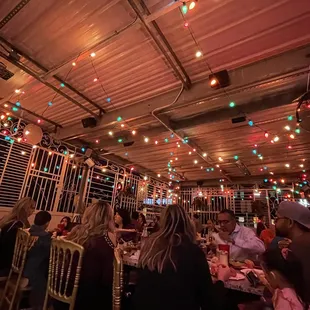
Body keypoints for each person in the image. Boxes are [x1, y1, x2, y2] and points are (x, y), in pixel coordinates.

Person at [133, 204, 232, 310]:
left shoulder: (150, 247)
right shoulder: (193, 252)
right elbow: (210, 303)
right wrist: (221, 279)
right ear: (187, 223)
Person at [53, 201, 116, 310]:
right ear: (108, 218)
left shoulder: (76, 232)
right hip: (84, 300)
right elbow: (107, 278)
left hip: (59, 293)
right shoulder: (107, 238)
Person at [274, 201, 310, 302]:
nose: (275, 223)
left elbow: (287, 286)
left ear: (290, 222)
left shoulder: (300, 245)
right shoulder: (301, 242)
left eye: (277, 219)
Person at [24, 211, 52, 310]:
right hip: (35, 272)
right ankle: (40, 305)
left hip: (23, 267)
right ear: (47, 223)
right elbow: (50, 254)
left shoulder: (27, 231)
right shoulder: (45, 237)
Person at [0, 197, 36, 276]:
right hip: (7, 263)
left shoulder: (7, 219)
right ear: (26, 208)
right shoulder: (18, 224)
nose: (33, 211)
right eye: (32, 208)